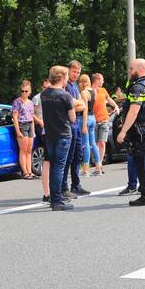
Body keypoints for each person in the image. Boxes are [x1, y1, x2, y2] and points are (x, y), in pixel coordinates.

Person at [117, 58, 145, 206]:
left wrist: (123, 132)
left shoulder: (138, 87)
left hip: (141, 130)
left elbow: (133, 112)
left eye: (131, 69)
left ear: (140, 69)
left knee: (141, 161)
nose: (129, 72)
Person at [41, 65, 84, 211]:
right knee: (59, 167)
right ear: (61, 78)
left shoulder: (44, 94)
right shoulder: (65, 95)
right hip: (63, 134)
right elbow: (72, 118)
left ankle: (53, 198)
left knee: (53, 166)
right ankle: (57, 200)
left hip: (50, 134)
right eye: (66, 77)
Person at [62, 59, 89, 197]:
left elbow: (83, 105)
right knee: (69, 156)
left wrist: (78, 104)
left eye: (78, 72)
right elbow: (71, 105)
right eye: (74, 71)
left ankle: (76, 184)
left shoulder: (75, 86)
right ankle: (64, 187)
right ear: (68, 70)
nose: (76, 74)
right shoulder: (65, 85)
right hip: (69, 123)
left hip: (77, 122)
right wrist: (78, 104)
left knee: (78, 155)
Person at [91, 73, 118, 175]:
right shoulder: (89, 91)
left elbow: (109, 99)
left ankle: (100, 164)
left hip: (104, 120)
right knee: (95, 144)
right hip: (93, 121)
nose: (103, 81)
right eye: (102, 80)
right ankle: (97, 164)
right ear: (97, 80)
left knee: (102, 142)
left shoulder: (103, 90)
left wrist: (115, 106)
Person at [77, 73, 101, 175]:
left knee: (85, 144)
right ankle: (98, 168)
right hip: (93, 118)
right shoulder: (94, 91)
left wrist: (83, 125)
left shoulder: (84, 93)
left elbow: (85, 109)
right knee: (93, 143)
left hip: (85, 118)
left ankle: (85, 169)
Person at [32, 78, 51, 202]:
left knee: (50, 159)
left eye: (48, 87)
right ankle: (47, 193)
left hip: (50, 127)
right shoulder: (37, 98)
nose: (46, 89)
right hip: (42, 126)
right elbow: (32, 113)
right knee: (47, 157)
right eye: (44, 87)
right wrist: (40, 122)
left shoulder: (51, 97)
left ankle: (51, 191)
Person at [12, 79, 35, 178]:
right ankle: (25, 172)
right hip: (22, 125)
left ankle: (30, 171)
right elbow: (15, 117)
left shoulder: (30, 102)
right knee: (23, 149)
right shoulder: (17, 102)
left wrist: (33, 131)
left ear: (29, 92)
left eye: (26, 91)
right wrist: (18, 131)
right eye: (22, 91)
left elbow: (32, 117)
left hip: (30, 125)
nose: (24, 93)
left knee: (29, 150)